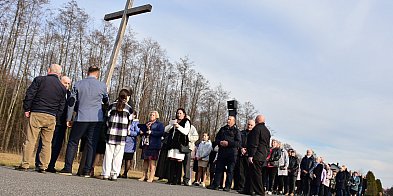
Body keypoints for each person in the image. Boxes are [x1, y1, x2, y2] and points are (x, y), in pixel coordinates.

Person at [59, 66, 109, 176]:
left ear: (88, 72)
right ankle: (87, 171)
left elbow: (72, 102)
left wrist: (69, 118)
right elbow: (106, 101)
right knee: (92, 144)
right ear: (97, 74)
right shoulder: (102, 86)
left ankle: (67, 168)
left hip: (81, 117)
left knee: (73, 142)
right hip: (96, 119)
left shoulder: (78, 84)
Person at [17, 64, 66, 173]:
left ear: (49, 70)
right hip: (51, 116)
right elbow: (62, 106)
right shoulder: (62, 87)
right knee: (47, 143)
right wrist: (56, 116)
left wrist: (27, 108)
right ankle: (43, 166)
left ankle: (25, 164)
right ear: (59, 74)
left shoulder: (39, 80)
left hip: (37, 113)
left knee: (30, 140)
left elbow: (30, 94)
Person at [34, 76, 71, 173]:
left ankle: (51, 165)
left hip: (62, 123)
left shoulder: (70, 95)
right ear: (60, 82)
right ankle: (39, 163)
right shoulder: (55, 91)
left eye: (68, 84)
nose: (66, 85)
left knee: (57, 144)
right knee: (45, 142)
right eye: (65, 83)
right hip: (51, 120)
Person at [101, 89, 133, 181]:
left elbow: (107, 119)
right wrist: (127, 131)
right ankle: (114, 174)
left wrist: (109, 127)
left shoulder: (112, 106)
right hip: (122, 135)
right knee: (118, 155)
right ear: (126, 98)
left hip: (111, 133)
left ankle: (106, 173)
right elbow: (130, 123)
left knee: (108, 154)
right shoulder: (129, 109)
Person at [209, 116, 241, 192]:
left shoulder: (236, 131)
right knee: (218, 169)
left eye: (230, 119)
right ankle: (215, 185)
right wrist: (220, 142)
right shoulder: (222, 129)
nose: (228, 120)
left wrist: (228, 143)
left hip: (232, 153)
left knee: (230, 170)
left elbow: (238, 143)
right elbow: (216, 139)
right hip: (222, 151)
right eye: (228, 119)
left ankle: (227, 186)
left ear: (234, 121)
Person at [241, 114, 271, 196]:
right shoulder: (267, 131)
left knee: (256, 174)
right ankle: (247, 189)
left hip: (256, 155)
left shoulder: (256, 129)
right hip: (263, 155)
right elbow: (266, 145)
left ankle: (260, 192)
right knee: (250, 172)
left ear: (257, 121)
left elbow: (254, 143)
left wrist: (251, 155)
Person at [166, 108, 191, 185]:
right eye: (178, 113)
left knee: (178, 161)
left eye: (180, 113)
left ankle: (177, 180)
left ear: (184, 114)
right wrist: (171, 125)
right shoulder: (174, 121)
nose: (179, 115)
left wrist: (178, 127)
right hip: (172, 143)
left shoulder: (186, 122)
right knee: (172, 161)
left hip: (180, 144)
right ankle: (171, 179)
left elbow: (186, 132)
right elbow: (166, 130)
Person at [139, 111, 165, 182]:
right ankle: (144, 175)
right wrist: (141, 132)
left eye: (153, 115)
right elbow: (144, 132)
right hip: (146, 144)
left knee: (152, 161)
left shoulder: (159, 124)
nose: (151, 116)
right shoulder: (147, 123)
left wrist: (152, 132)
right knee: (145, 160)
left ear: (156, 116)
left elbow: (161, 133)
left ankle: (151, 176)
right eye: (150, 115)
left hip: (154, 145)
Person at [234, 119, 255, 192]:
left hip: (249, 155)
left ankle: (247, 187)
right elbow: (238, 142)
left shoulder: (255, 134)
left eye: (251, 125)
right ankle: (240, 186)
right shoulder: (241, 133)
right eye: (248, 124)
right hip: (241, 154)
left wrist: (248, 150)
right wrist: (241, 148)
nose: (249, 126)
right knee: (241, 171)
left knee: (248, 172)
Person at [120, 111, 140, 178]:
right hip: (122, 141)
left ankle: (125, 173)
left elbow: (137, 132)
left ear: (134, 115)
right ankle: (117, 172)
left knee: (128, 159)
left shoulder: (136, 123)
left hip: (130, 143)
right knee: (120, 157)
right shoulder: (126, 120)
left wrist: (130, 132)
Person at [182, 115, 199, 186]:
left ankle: (187, 179)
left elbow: (196, 137)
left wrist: (188, 138)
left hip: (188, 147)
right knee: (179, 164)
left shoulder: (192, 128)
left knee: (187, 164)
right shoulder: (180, 126)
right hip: (180, 147)